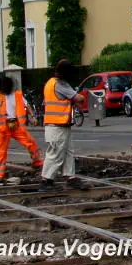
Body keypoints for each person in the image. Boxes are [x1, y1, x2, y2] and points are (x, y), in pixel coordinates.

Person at [39, 59, 86, 191]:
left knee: (68, 152)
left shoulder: (50, 82)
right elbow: (79, 98)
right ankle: (46, 180)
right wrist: (79, 95)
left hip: (60, 124)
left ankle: (70, 177)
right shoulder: (60, 85)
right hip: (57, 125)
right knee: (56, 154)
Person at [0, 76, 42, 185]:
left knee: (30, 142)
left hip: (16, 125)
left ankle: (37, 162)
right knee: (1, 152)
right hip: (3, 128)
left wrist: (33, 116)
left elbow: (27, 105)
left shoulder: (17, 94)